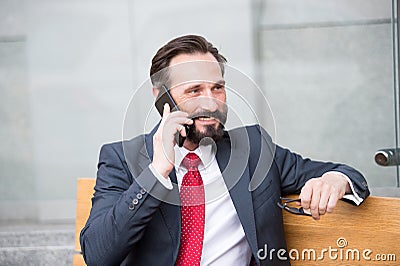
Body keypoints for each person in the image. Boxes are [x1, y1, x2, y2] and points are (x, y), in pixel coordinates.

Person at [80, 35, 369, 266]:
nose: (211, 102)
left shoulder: (253, 148)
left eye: (217, 88)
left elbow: (346, 174)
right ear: (161, 98)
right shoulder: (121, 159)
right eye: (194, 91)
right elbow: (97, 255)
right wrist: (157, 171)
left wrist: (335, 180)